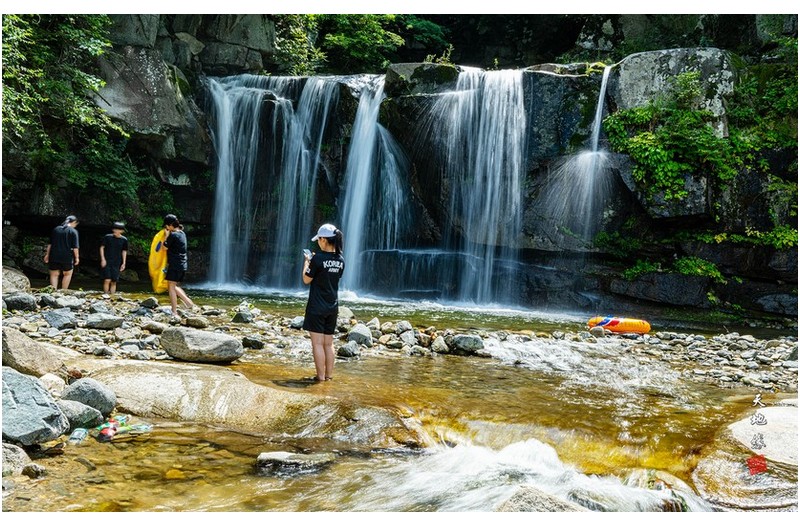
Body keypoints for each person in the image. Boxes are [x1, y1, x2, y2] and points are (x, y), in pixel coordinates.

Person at [302, 223, 345, 382]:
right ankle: (329, 376)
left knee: (317, 344)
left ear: (324, 240)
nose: (318, 242)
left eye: (319, 240)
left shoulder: (318, 258)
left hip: (316, 307)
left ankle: (320, 377)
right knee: (329, 344)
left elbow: (306, 279)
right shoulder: (341, 260)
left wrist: (307, 262)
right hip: (332, 306)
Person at [162, 214, 196, 317]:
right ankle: (189, 303)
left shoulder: (173, 235)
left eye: (166, 226)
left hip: (175, 264)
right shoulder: (182, 233)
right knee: (173, 285)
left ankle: (174, 311)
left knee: (171, 287)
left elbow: (164, 247)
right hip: (182, 264)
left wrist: (166, 236)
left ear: (170, 225)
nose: (166, 228)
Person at [43, 215, 80, 290]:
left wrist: (47, 255)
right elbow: (75, 247)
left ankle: (54, 292)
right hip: (66, 256)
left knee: (54, 274)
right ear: (74, 222)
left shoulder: (56, 229)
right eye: (76, 224)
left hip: (54, 255)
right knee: (67, 274)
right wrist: (77, 258)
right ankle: (63, 291)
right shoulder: (73, 231)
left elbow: (50, 244)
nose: (75, 226)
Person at [100, 221, 128, 294]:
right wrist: (103, 259)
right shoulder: (107, 237)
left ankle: (112, 295)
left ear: (122, 231)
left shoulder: (124, 240)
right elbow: (102, 247)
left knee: (114, 281)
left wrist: (124, 263)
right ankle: (105, 294)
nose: (116, 231)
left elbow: (124, 251)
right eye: (115, 229)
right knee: (107, 279)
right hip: (107, 260)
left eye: (118, 229)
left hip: (117, 262)